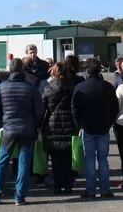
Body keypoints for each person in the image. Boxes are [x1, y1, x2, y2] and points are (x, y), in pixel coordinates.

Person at [0, 58, 43, 206]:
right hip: (27, 129)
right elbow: (39, 111)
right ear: (22, 69)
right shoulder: (31, 88)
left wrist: (3, 122)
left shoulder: (2, 87)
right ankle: (19, 197)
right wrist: (34, 125)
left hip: (9, 129)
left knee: (2, 162)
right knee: (24, 163)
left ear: (10, 69)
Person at [71, 58, 119, 199]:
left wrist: (79, 124)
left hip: (87, 127)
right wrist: (109, 122)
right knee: (103, 160)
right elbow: (115, 108)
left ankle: (90, 190)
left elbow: (74, 109)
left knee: (90, 160)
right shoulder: (107, 87)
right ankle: (105, 190)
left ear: (86, 70)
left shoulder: (80, 87)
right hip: (103, 127)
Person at [41, 62, 78, 195]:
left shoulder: (47, 88)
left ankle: (57, 185)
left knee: (55, 160)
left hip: (52, 126)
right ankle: (68, 185)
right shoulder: (72, 87)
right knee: (68, 159)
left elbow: (43, 108)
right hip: (68, 124)